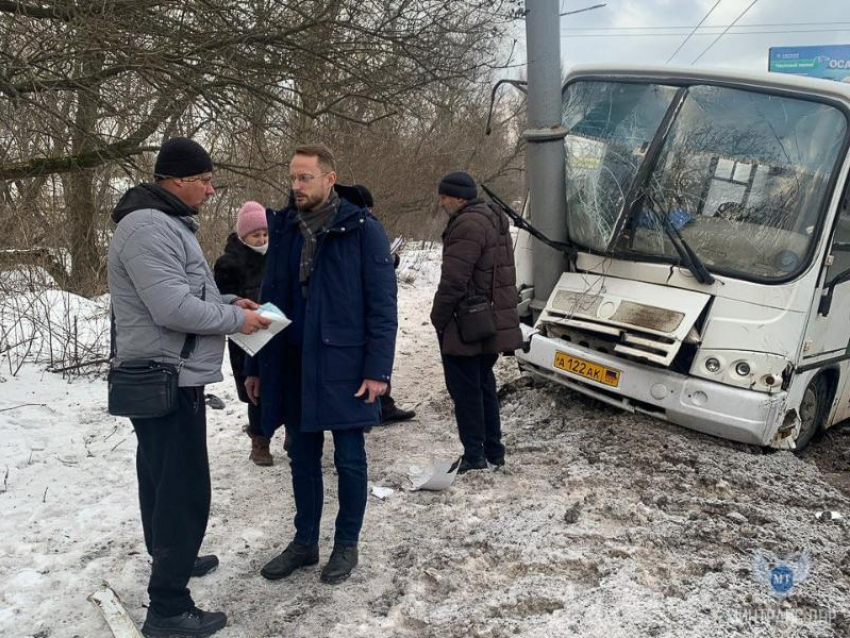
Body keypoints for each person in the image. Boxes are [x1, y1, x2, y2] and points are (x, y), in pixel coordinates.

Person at [107, 137, 270, 638]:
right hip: (165, 376)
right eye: (204, 179)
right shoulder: (148, 228)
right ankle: (169, 607)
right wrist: (234, 322)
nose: (210, 188)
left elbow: (183, 292)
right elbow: (171, 310)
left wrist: (227, 301)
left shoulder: (163, 224)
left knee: (161, 479)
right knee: (183, 490)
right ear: (177, 180)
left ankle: (170, 561)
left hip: (167, 373)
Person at [244, 144, 397, 585]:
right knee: (302, 457)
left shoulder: (364, 230)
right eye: (292, 177)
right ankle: (304, 543)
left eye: (304, 177)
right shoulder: (287, 229)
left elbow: (383, 307)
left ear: (330, 178)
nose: (295, 186)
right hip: (293, 362)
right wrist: (259, 367)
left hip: (346, 365)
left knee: (350, 458)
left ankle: (345, 545)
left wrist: (377, 370)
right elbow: (271, 304)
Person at [429, 170, 522, 474]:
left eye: (444, 196)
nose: (441, 202)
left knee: (466, 392)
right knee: (483, 386)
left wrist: (438, 318)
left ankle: (474, 455)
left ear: (457, 197)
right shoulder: (492, 219)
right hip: (489, 321)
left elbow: (455, 281)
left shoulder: (467, 223)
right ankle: (494, 451)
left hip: (467, 322)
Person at [213, 200, 286, 466]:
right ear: (244, 236)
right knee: (257, 391)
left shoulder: (278, 256)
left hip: (278, 331)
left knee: (287, 384)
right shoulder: (228, 263)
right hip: (248, 337)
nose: (262, 239)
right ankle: (260, 440)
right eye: (256, 235)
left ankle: (292, 433)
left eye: (265, 234)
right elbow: (221, 298)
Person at [352, 184, 415, 426]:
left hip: (370, 307)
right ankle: (374, 409)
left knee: (376, 356)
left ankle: (383, 406)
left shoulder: (365, 226)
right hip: (364, 310)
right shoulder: (358, 227)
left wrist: (389, 260)